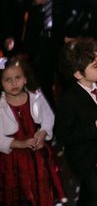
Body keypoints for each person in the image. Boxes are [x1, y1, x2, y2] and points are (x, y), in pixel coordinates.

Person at [55, 38, 97, 206]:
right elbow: (62, 136)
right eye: (95, 66)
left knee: (88, 196)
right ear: (78, 73)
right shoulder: (69, 101)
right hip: (86, 160)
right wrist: (94, 128)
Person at [0, 57, 66, 205]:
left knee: (41, 189)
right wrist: (19, 143)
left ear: (25, 78)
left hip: (38, 154)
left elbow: (48, 116)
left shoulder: (35, 95)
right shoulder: (1, 104)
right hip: (13, 160)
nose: (13, 83)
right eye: (7, 80)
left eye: (17, 77)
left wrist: (43, 132)